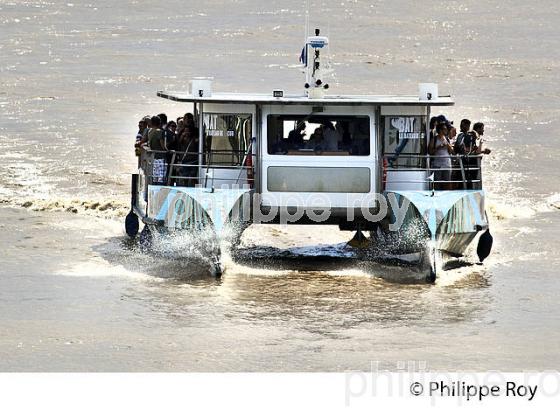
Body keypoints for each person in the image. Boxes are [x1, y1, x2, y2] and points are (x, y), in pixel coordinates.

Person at [429, 122, 453, 190]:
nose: (446, 131)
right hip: (437, 165)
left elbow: (451, 151)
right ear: (440, 130)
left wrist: (448, 145)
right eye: (444, 129)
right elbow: (430, 152)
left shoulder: (447, 139)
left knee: (447, 183)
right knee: (437, 184)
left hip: (447, 165)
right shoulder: (434, 139)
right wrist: (438, 147)